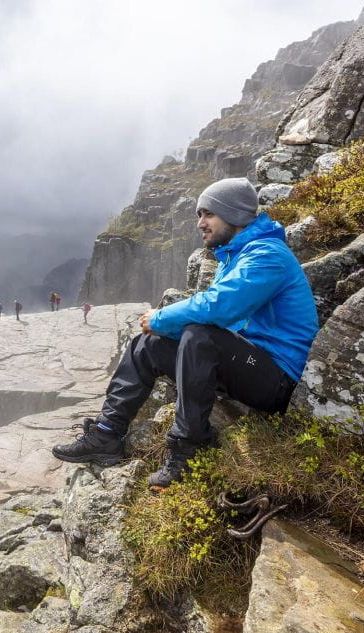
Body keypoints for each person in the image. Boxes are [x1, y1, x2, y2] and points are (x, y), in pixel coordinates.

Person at [51, 177, 319, 489]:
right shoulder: (235, 255)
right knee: (147, 344)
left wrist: (162, 317)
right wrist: (164, 332)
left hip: (276, 378)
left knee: (198, 335)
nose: (200, 224)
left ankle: (189, 447)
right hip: (247, 361)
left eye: (208, 214)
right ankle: (107, 434)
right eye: (199, 215)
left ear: (233, 215)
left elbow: (219, 308)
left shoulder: (267, 256)